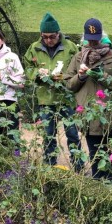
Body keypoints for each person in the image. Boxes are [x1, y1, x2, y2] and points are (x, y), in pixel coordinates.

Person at [64, 18, 112, 179]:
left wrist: (103, 77)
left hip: (110, 117)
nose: (92, 42)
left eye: (95, 38)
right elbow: (69, 85)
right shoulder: (78, 58)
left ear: (102, 36)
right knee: (95, 156)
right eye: (89, 39)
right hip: (88, 116)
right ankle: (99, 188)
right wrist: (81, 76)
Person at [24, 12, 83, 172]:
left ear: (59, 33)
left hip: (66, 97)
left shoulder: (70, 48)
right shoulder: (34, 48)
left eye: (52, 37)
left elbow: (78, 69)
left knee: (72, 133)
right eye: (45, 37)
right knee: (48, 135)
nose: (49, 40)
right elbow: (28, 68)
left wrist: (65, 77)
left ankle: (78, 166)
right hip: (46, 98)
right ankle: (50, 165)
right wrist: (37, 74)